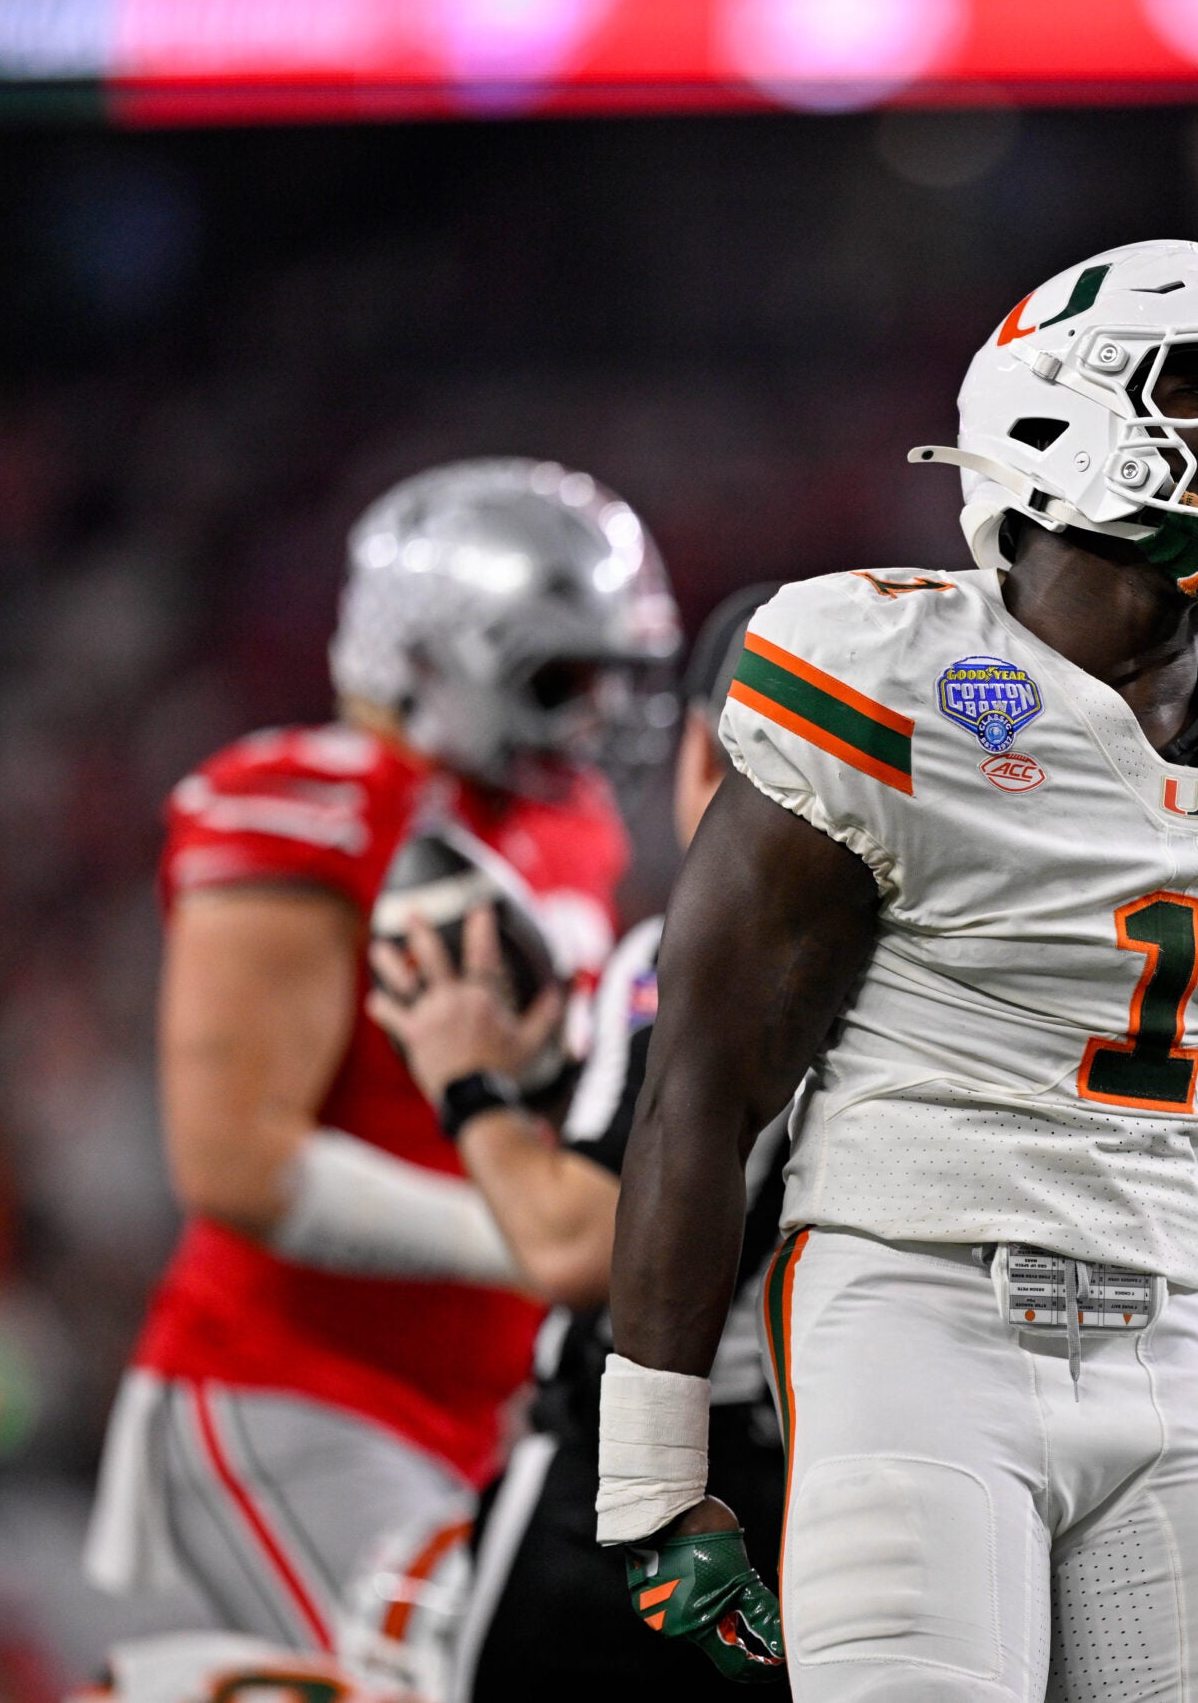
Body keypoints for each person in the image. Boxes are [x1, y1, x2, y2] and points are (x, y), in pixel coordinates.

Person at [601, 239, 1198, 1702]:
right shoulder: (883, 668)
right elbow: (706, 1089)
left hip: (1174, 1327)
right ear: (1056, 410)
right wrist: (655, 1470)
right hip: (913, 1306)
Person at [82, 459, 676, 1649]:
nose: (597, 720)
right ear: (427, 659)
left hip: (485, 1410)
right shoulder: (308, 801)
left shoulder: (567, 826)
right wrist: (530, 1242)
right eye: (560, 679)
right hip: (293, 1391)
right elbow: (235, 1163)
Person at [353, 587, 796, 1699]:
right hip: (843, 1475)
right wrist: (562, 1074)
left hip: (651, 1478)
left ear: (706, 746)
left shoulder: (699, 949)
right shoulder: (944, 956)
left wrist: (468, 1082)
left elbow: (584, 1245)